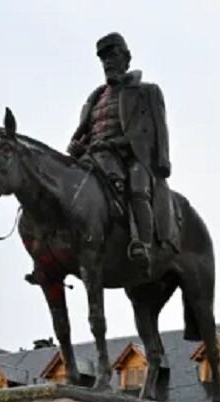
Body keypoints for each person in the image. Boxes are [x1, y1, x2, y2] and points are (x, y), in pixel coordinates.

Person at [67, 32, 172, 269]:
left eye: (112, 56)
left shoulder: (147, 91)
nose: (108, 63)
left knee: (136, 187)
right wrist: (77, 145)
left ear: (126, 58)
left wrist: (162, 161)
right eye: (103, 59)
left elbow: (157, 129)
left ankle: (142, 243)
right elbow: (87, 132)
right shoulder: (94, 98)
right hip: (94, 156)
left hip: (131, 156)